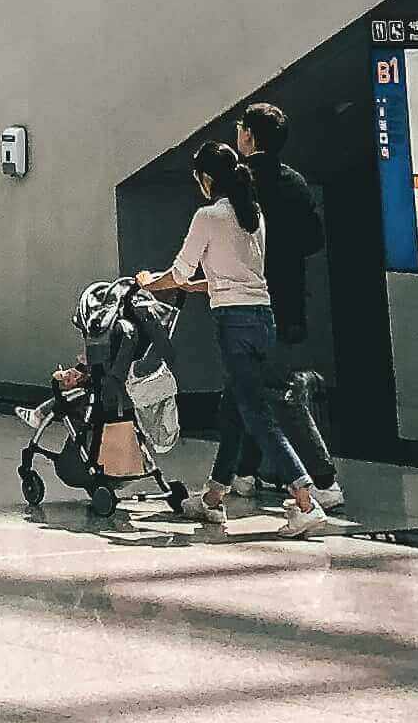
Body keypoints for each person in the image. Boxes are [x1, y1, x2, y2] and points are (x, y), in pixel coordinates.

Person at [142, 138, 324, 524]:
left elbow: (178, 272)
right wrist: (196, 287)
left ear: (207, 178)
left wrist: (146, 282)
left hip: (234, 324)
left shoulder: (208, 217)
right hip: (262, 318)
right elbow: (237, 276)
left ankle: (305, 499)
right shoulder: (253, 214)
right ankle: (212, 497)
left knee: (255, 413)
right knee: (234, 411)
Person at [233, 98, 343, 512]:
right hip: (288, 300)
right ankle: (238, 473)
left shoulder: (239, 183)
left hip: (247, 300)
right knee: (246, 389)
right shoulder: (295, 183)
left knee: (275, 392)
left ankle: (324, 479)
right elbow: (314, 239)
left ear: (248, 135)